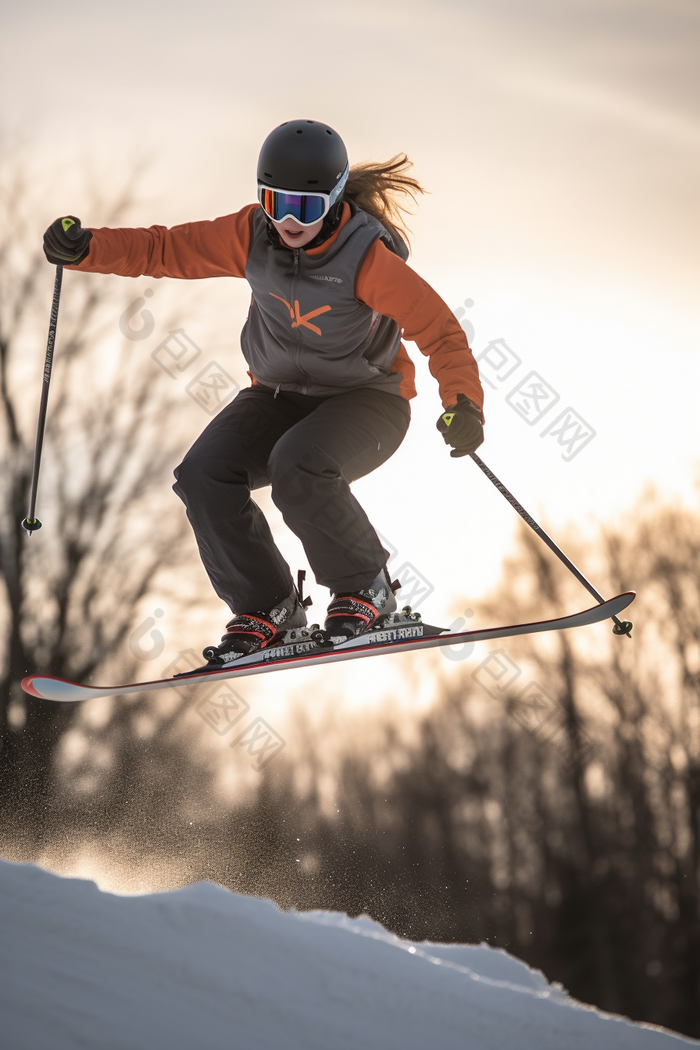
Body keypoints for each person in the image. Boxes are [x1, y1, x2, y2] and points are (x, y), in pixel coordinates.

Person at [43, 118, 484, 662]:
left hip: (367, 402)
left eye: (306, 207)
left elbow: (440, 332)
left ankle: (365, 588)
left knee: (298, 465)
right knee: (203, 475)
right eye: (276, 202)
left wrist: (464, 405)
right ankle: (269, 604)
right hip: (277, 396)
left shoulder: (367, 259)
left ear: (335, 199)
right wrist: (87, 248)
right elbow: (164, 250)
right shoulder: (251, 235)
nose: (289, 221)